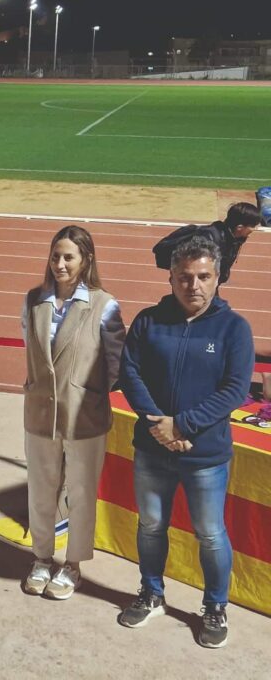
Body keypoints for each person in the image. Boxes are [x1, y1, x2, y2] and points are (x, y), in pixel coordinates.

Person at [118, 235, 253, 649]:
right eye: (184, 277)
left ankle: (215, 607)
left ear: (217, 277)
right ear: (172, 278)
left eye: (203, 277)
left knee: (210, 533)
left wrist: (182, 426)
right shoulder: (148, 321)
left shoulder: (234, 329)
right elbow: (130, 374)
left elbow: (234, 389)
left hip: (205, 455)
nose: (194, 285)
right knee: (151, 525)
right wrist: (159, 425)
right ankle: (151, 593)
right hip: (152, 447)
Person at [21, 226, 125, 600]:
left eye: (69, 257)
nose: (60, 264)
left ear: (86, 260)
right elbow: (31, 350)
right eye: (56, 256)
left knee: (80, 493)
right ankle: (41, 558)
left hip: (85, 417)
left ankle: (73, 565)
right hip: (39, 413)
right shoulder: (34, 300)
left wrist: (87, 391)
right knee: (41, 489)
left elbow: (116, 363)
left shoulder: (104, 304)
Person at [152, 202, 260, 285]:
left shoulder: (234, 238)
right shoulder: (208, 239)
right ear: (240, 227)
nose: (255, 229)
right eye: (253, 226)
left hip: (209, 285)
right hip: (194, 287)